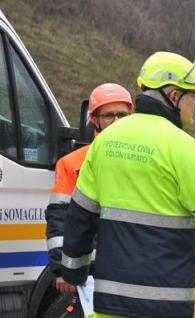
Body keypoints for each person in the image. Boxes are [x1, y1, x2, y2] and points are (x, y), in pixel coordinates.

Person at [60, 51, 195, 317]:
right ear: (174, 96)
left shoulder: (105, 142)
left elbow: (80, 216)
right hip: (165, 302)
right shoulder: (183, 147)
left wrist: (73, 272)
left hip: (109, 302)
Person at [45, 83, 134, 317]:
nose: (117, 121)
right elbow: (59, 219)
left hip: (135, 268)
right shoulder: (71, 164)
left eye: (123, 115)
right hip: (90, 272)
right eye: (109, 115)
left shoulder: (144, 161)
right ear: (94, 119)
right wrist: (61, 268)